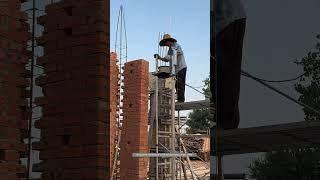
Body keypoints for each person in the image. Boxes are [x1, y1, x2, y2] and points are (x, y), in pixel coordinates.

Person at [211, 0, 247, 130]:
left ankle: (227, 122)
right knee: (223, 72)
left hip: (228, 19)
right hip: (229, 17)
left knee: (223, 73)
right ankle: (225, 119)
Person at [154, 34, 187, 103]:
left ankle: (181, 100)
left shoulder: (176, 45)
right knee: (176, 84)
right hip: (175, 69)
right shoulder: (170, 49)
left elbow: (180, 53)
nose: (166, 45)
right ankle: (180, 99)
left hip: (181, 67)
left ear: (168, 41)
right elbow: (167, 59)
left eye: (166, 43)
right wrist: (160, 58)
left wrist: (172, 56)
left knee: (180, 83)